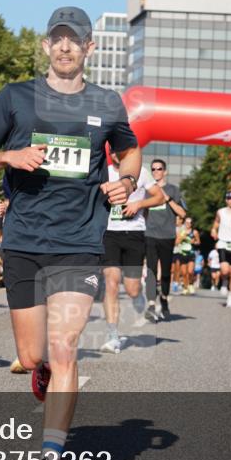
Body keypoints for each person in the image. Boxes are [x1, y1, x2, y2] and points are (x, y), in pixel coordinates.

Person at [0, 5, 140, 460]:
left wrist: (128, 180)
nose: (65, 47)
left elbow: (128, 151)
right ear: (46, 45)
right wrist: (9, 156)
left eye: (75, 39)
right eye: (57, 38)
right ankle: (40, 368)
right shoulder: (15, 97)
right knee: (32, 356)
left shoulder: (106, 102)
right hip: (24, 241)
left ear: (90, 48)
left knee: (65, 346)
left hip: (79, 242)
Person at [100, 150, 163, 353]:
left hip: (134, 234)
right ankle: (112, 336)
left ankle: (138, 296)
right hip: (109, 233)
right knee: (111, 282)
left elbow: (159, 197)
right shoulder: (104, 172)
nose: (116, 153)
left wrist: (139, 204)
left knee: (132, 289)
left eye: (120, 150)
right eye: (113, 150)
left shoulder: (141, 172)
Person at [143, 159, 187, 321]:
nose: (156, 172)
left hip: (167, 235)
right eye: (153, 169)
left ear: (165, 171)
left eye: (159, 169)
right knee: (151, 270)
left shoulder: (173, 190)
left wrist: (167, 198)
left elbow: (182, 213)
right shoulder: (147, 190)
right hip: (150, 234)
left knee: (166, 273)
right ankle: (151, 304)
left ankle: (164, 298)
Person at [175, 217, 200, 295]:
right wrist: (181, 238)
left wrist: (194, 242)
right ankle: (185, 288)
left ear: (192, 224)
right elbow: (176, 243)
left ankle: (191, 284)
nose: (187, 224)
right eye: (186, 222)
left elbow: (198, 242)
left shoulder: (194, 232)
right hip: (182, 253)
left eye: (189, 223)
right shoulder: (181, 232)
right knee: (184, 273)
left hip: (191, 253)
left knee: (190, 271)